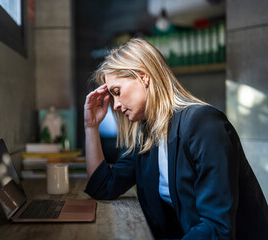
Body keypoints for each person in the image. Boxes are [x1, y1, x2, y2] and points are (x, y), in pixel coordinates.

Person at [83, 38, 268, 240]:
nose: (115, 105)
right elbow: (102, 186)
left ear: (144, 77)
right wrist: (91, 125)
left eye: (117, 92)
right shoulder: (149, 134)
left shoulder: (204, 124)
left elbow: (217, 229)